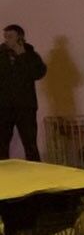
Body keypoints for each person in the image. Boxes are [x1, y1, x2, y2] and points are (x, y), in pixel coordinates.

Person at [0, 24, 47, 161]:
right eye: (5, 36)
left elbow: (38, 73)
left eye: (10, 36)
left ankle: (35, 170)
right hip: (4, 106)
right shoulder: (1, 55)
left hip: (25, 106)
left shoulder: (30, 55)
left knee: (30, 143)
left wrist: (22, 56)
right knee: (2, 143)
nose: (7, 40)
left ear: (19, 37)